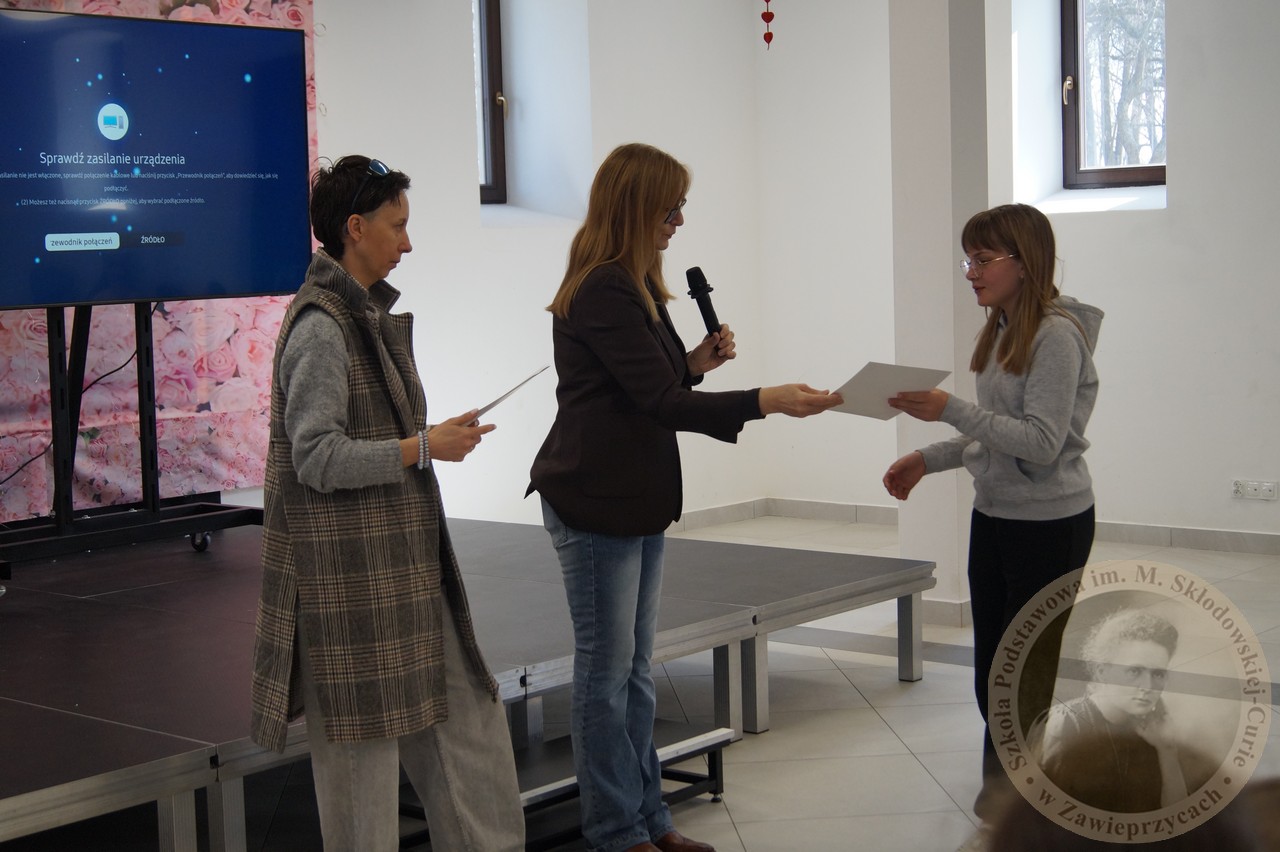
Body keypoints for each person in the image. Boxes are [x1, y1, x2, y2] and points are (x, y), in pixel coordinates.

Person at [528, 142, 841, 852]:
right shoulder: (604, 288)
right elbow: (659, 402)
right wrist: (763, 399)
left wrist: (695, 363)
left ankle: (650, 820)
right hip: (594, 497)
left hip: (633, 495)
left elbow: (649, 385)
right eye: (670, 208)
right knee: (605, 676)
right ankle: (615, 831)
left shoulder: (635, 283)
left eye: (681, 208)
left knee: (636, 672)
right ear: (637, 207)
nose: (678, 221)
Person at [249, 155, 524, 851]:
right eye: (397, 226)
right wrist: (423, 447)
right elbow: (316, 457)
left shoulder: (361, 313)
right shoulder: (321, 327)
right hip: (350, 588)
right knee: (360, 782)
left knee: (470, 736)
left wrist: (427, 442)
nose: (408, 242)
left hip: (405, 570)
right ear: (355, 228)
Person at [881, 203, 1104, 831]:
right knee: (992, 671)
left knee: (1021, 674)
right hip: (997, 514)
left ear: (1024, 262)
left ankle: (1018, 803)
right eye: (968, 261)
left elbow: (1041, 443)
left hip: (1051, 524)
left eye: (983, 260)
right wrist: (928, 458)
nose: (972, 273)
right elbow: (998, 433)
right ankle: (1013, 790)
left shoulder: (1056, 336)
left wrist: (950, 409)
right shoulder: (1002, 328)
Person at [1032, 608, 1187, 812]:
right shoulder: (1068, 724)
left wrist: (1166, 750)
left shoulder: (1155, 725)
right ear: (1102, 672)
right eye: (1134, 671)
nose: (1148, 686)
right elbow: (1047, 817)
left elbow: (1177, 817)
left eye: (1158, 674)